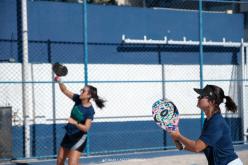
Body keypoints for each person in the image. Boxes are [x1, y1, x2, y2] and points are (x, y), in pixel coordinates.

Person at [170, 84, 243, 165]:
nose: (198, 98)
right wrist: (183, 146)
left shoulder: (216, 122)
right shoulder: (209, 120)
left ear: (212, 102)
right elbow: (202, 148)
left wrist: (178, 136)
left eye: (201, 96)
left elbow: (197, 147)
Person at [54, 76, 105, 165]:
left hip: (79, 138)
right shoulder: (77, 99)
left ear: (88, 95)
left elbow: (86, 128)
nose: (81, 92)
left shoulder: (90, 111)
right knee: (60, 161)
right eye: (81, 90)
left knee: (72, 163)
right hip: (69, 135)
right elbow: (64, 91)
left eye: (83, 91)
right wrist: (60, 81)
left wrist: (74, 122)